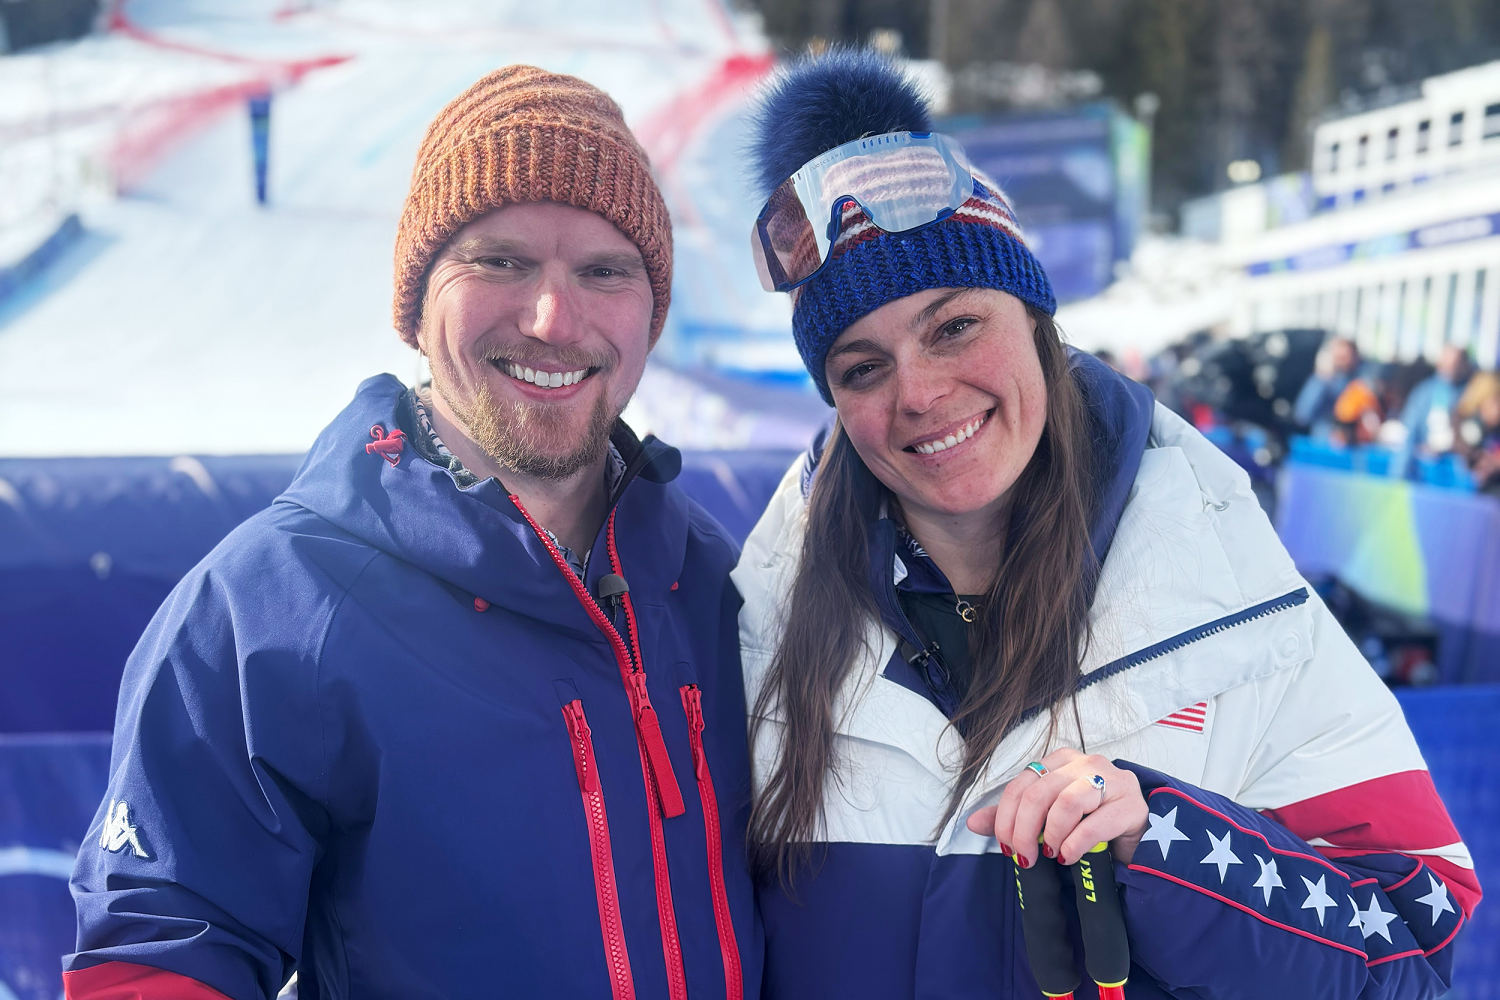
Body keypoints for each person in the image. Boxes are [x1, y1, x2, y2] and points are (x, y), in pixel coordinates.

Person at [733, 50, 1478, 999]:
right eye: (861, 367)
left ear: (1037, 318)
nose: (918, 394)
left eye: (955, 325)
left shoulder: (1228, 591)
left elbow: (1412, 952)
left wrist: (1164, 842)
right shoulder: (764, 622)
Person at [65, 66, 760, 1000]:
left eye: (604, 270)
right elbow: (156, 961)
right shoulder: (274, 605)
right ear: (417, 299)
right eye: (501, 261)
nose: (554, 319)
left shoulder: (711, 581)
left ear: (649, 311)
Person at [1399, 344, 1471, 454]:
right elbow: (1410, 431)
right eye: (1447, 362)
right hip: (1427, 464)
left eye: (1456, 364)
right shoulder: (1424, 392)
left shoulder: (1470, 393)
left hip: (1457, 462)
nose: (1451, 367)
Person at [1294, 335, 1361, 439]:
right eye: (1339, 357)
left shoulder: (1361, 381)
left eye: (1346, 356)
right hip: (1324, 440)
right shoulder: (1321, 381)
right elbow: (1303, 415)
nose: (1343, 361)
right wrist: (1322, 378)